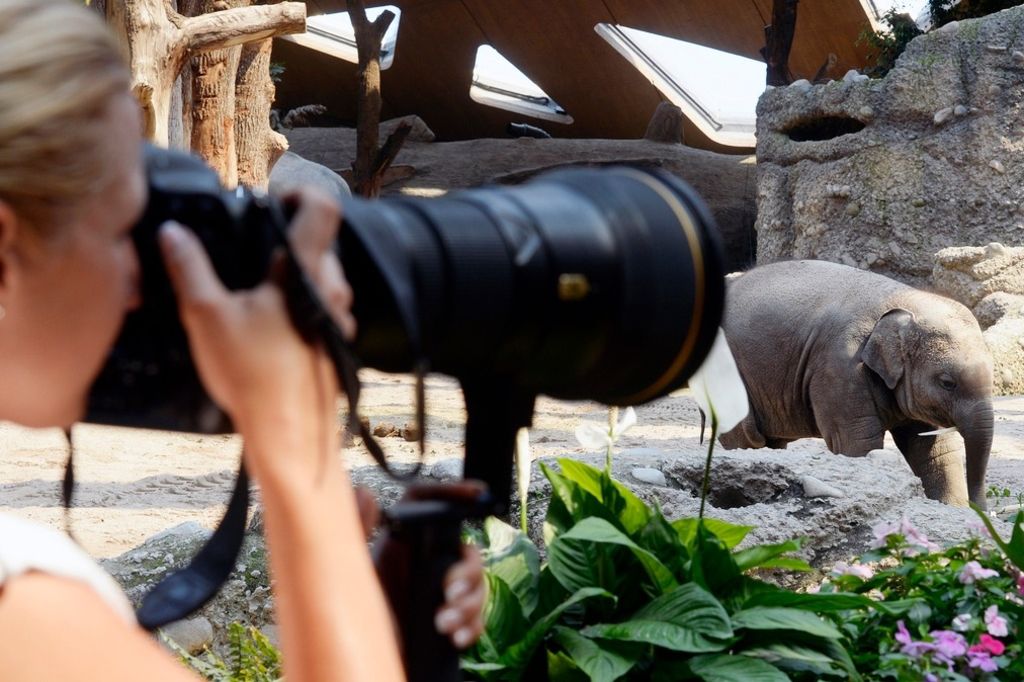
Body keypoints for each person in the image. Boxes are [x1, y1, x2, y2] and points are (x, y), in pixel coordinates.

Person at [0, 1, 483, 679]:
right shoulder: (25, 613)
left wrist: (353, 620)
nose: (140, 287)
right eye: (125, 229)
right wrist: (297, 444)